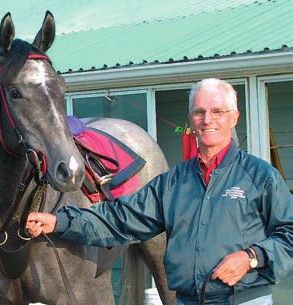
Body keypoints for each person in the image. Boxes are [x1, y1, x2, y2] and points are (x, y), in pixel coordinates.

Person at [26, 78, 293, 305]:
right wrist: (60, 221)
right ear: (191, 119)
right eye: (199, 112)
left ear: (234, 117)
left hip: (245, 299)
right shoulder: (174, 182)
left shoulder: (259, 176)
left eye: (218, 111)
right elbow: (121, 217)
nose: (207, 119)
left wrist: (251, 258)